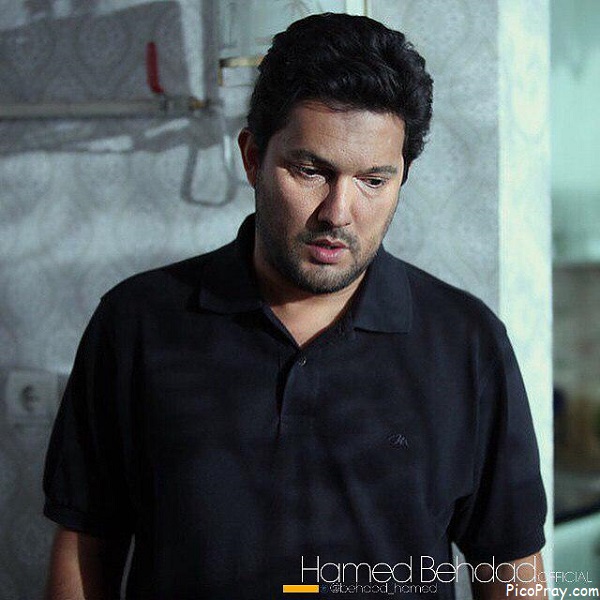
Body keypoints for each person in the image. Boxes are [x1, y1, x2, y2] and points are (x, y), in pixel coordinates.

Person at [43, 12, 547, 600]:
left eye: (373, 180)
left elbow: (511, 564)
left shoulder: (464, 341)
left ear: (402, 177)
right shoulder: (138, 323)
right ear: (253, 157)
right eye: (311, 171)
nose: (338, 212)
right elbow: (86, 542)